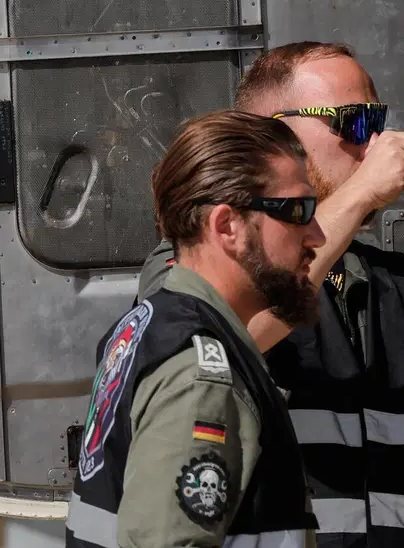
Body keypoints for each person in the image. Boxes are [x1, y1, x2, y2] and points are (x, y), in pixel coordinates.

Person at [136, 42, 404, 548]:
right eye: (352, 123)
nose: (375, 143)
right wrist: (363, 190)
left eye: (377, 122)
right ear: (272, 132)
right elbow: (224, 338)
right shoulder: (194, 262)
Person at [66, 110, 327, 548]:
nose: (318, 235)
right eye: (299, 210)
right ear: (227, 227)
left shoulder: (149, 327)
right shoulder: (201, 374)